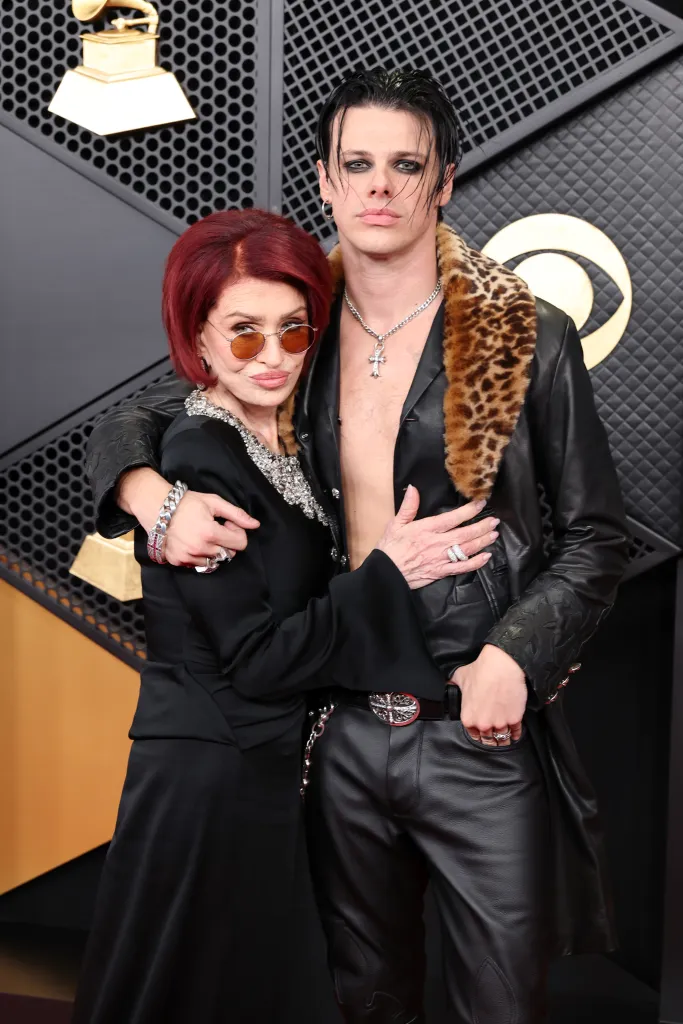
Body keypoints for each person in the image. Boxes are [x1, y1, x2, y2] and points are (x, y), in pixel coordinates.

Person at [85, 70, 630, 1024]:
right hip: (329, 728)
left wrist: (517, 654)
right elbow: (150, 408)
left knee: (502, 1005)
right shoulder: (297, 325)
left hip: (472, 725)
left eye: (405, 165)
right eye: (357, 165)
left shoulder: (521, 334)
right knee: (354, 1004)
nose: (379, 187)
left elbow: (595, 535)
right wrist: (145, 492)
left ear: (445, 181)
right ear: (327, 183)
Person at [72, 208, 497, 1024]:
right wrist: (389, 572)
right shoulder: (201, 455)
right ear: (196, 339)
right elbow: (258, 660)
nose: (272, 358)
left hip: (262, 768)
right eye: (241, 335)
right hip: (209, 777)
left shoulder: (288, 431)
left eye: (292, 330)